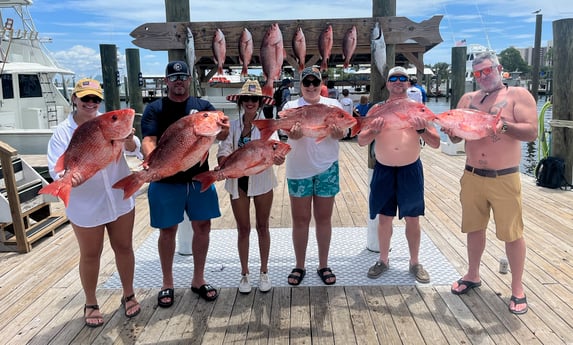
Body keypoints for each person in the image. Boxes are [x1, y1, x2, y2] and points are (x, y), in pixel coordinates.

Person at [446, 52, 537, 315]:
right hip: (472, 174)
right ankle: (472, 274)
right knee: (474, 228)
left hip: (504, 176)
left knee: (512, 233)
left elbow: (531, 132)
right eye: (478, 73)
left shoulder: (518, 95)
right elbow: (455, 140)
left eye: (488, 70)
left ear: (499, 68)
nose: (484, 76)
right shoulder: (467, 99)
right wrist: (451, 132)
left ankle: (517, 288)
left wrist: (502, 125)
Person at [46, 78, 142, 327]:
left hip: (118, 198)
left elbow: (134, 151)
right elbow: (57, 170)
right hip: (85, 204)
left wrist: (130, 140)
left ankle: (128, 294)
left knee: (124, 247)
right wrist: (67, 180)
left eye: (95, 99)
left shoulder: (111, 123)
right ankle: (91, 302)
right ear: (74, 99)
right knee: (90, 254)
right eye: (85, 98)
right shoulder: (62, 133)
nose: (90, 103)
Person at [140, 61, 229, 305]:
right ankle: (167, 283)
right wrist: (152, 162)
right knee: (167, 230)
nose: (179, 81)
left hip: (199, 178)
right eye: (174, 77)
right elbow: (149, 139)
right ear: (166, 81)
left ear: (190, 80)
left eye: (183, 76)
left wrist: (222, 129)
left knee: (203, 227)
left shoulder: (203, 108)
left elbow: (221, 133)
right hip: (166, 180)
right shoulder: (155, 108)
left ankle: (198, 279)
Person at [357, 66, 440, 284]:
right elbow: (361, 140)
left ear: (409, 84)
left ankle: (414, 262)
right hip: (383, 168)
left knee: (413, 218)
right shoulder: (377, 108)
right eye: (394, 78)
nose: (398, 81)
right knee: (384, 218)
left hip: (410, 168)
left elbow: (436, 142)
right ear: (387, 84)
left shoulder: (418, 108)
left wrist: (422, 130)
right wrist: (373, 130)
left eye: (403, 78)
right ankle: (383, 260)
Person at [218, 80, 286, 294]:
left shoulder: (267, 126)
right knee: (243, 229)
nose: (250, 102)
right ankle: (244, 273)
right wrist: (222, 163)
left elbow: (276, 147)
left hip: (262, 180)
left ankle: (264, 271)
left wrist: (278, 158)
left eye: (254, 99)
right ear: (240, 101)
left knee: (263, 227)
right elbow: (223, 148)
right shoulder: (232, 125)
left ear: (260, 102)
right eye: (246, 98)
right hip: (238, 181)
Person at [283, 67, 345, 286]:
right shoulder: (291, 106)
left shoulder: (334, 106)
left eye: (315, 82)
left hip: (327, 168)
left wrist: (340, 134)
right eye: (306, 83)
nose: (311, 87)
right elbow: (286, 132)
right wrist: (292, 134)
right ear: (300, 85)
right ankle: (299, 265)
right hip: (298, 170)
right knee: (300, 220)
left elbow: (345, 130)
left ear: (321, 84)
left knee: (324, 218)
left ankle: (323, 264)